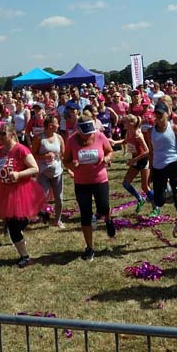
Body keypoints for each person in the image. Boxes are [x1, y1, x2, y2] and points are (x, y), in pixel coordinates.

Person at [0, 123, 44, 267]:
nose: (0, 137)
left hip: (21, 190)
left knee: (17, 225)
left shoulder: (20, 149)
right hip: (5, 191)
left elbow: (35, 169)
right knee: (13, 225)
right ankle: (24, 255)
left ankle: (25, 256)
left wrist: (18, 174)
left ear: (11, 134)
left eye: (3, 134)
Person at [63, 110, 116, 261]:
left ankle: (108, 220)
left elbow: (110, 151)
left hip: (100, 180)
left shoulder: (99, 136)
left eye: (89, 133)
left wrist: (106, 158)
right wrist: (72, 165)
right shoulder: (71, 141)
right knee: (85, 215)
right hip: (81, 183)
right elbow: (65, 160)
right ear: (78, 130)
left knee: (104, 207)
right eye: (85, 133)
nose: (88, 136)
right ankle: (90, 248)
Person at [145, 101, 177, 216]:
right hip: (157, 166)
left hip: (173, 164)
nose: (158, 116)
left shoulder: (175, 128)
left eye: (161, 114)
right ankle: (170, 195)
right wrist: (150, 171)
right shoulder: (151, 132)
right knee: (159, 201)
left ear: (167, 114)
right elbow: (151, 152)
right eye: (156, 114)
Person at [31, 114, 66, 228]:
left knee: (59, 198)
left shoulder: (59, 138)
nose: (58, 125)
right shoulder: (39, 138)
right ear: (50, 125)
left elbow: (63, 154)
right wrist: (44, 157)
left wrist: (62, 160)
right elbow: (32, 155)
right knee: (42, 197)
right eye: (56, 123)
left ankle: (58, 220)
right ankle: (43, 214)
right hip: (43, 173)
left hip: (57, 172)